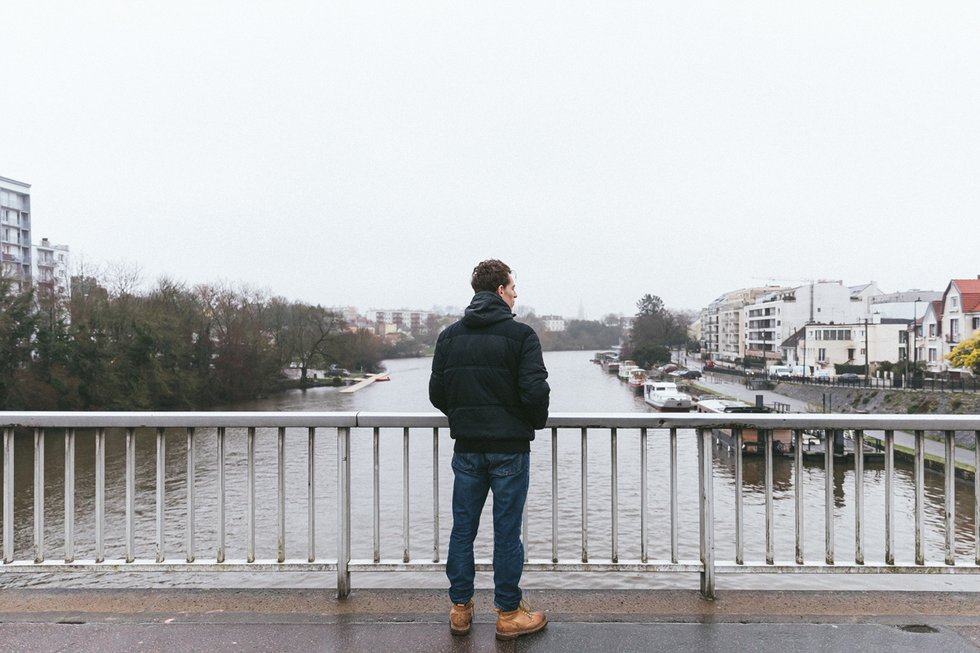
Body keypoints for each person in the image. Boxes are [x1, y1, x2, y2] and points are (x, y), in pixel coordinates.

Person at [429, 259, 551, 641]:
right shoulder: (522, 336)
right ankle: (509, 612)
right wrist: (529, 422)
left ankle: (461, 609)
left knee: (463, 528)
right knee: (506, 532)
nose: (516, 294)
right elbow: (535, 392)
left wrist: (464, 415)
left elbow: (437, 393)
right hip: (509, 450)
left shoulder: (449, 336)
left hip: (467, 448)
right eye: (513, 288)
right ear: (500, 290)